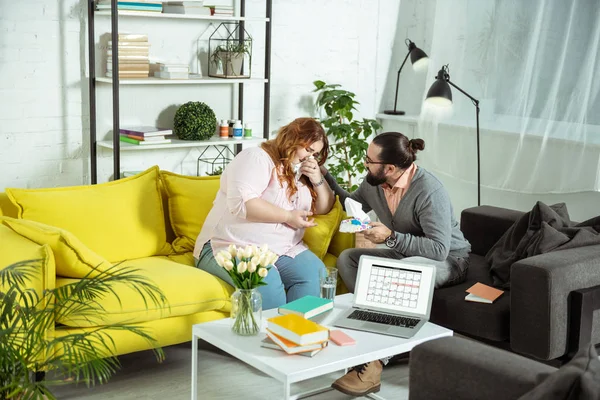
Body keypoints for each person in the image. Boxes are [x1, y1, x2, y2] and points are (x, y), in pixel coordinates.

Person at [323, 131, 471, 397]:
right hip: (406, 255)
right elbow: (351, 203)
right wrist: (324, 176)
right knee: (350, 259)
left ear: (389, 167)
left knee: (407, 269)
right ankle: (373, 328)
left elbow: (438, 249)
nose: (365, 164)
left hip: (449, 260)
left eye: (369, 160)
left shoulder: (428, 190)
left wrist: (390, 237)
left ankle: (374, 365)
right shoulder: (375, 181)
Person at [193, 117, 334, 310]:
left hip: (280, 248)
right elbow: (243, 204)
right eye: (308, 150)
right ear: (292, 138)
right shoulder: (256, 158)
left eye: (315, 154)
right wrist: (288, 216)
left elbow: (324, 207)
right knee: (267, 282)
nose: (309, 158)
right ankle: (271, 338)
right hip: (229, 245)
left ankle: (299, 336)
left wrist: (317, 178)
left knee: (315, 274)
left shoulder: (298, 169)